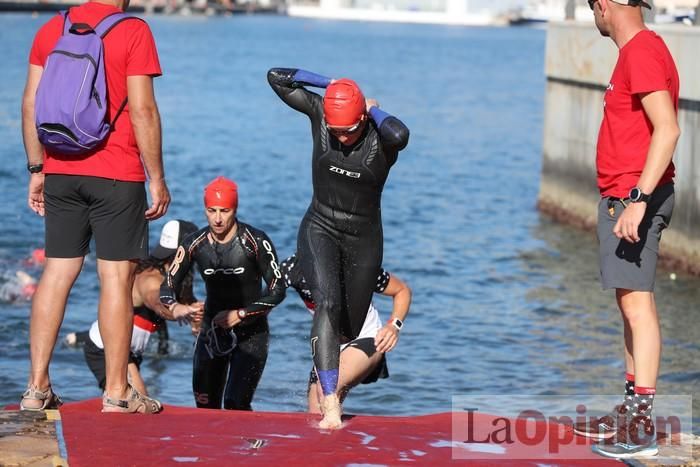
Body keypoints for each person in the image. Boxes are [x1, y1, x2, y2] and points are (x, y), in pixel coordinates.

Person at [21, 0, 169, 413]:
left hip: (60, 168)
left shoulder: (53, 27)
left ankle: (36, 388)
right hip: (117, 172)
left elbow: (31, 104)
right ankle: (117, 392)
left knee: (58, 270)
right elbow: (143, 110)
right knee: (116, 278)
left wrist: (37, 167)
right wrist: (156, 176)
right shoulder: (133, 30)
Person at [268, 68, 409, 428]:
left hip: (364, 239)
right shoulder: (321, 116)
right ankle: (330, 402)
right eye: (336, 131)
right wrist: (330, 84)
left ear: (362, 118)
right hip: (320, 225)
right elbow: (277, 77)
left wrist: (371, 107)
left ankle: (336, 391)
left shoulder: (381, 140)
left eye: (349, 130)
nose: (343, 138)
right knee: (327, 303)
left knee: (348, 327)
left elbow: (401, 132)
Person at [572, 0, 680, 459]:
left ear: (605, 5)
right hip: (623, 199)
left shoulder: (641, 51)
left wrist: (637, 199)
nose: (592, 14)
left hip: (636, 200)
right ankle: (630, 407)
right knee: (628, 304)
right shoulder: (637, 50)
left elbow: (668, 130)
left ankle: (641, 425)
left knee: (639, 307)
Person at [160, 176, 286, 411]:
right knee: (205, 406)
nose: (217, 219)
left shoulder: (255, 241)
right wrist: (175, 307)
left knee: (235, 404)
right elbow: (167, 285)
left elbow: (278, 290)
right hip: (212, 333)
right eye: (211, 210)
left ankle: (247, 447)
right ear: (205, 210)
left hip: (251, 333)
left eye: (224, 211)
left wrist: (240, 314)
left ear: (234, 209)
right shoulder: (193, 244)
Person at [65, 220, 202, 395]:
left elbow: (190, 303)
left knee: (131, 406)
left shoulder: (178, 275)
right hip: (104, 347)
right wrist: (175, 309)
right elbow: (157, 302)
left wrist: (200, 324)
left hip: (130, 349)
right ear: (182, 253)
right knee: (139, 403)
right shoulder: (151, 279)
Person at [280, 255, 411, 414]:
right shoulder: (293, 267)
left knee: (327, 390)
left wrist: (394, 326)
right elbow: (267, 300)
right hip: (328, 347)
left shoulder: (355, 265)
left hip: (368, 339)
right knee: (316, 415)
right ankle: (340, 436)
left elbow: (402, 290)